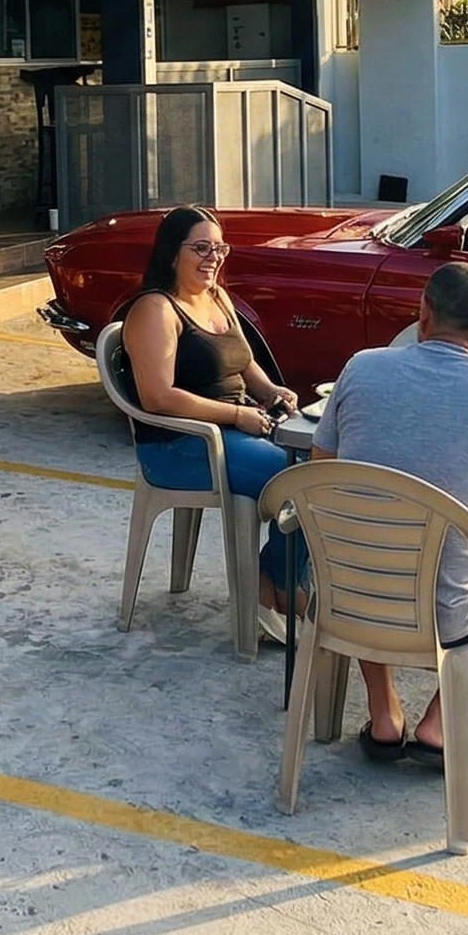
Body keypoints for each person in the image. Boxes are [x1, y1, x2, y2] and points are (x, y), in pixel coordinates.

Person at [307, 263, 468, 764]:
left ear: (422, 315)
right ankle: (440, 721)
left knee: (366, 548)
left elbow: (320, 474)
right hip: (449, 617)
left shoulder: (360, 368)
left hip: (346, 596)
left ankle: (383, 713)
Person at [119, 204, 301, 643]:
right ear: (170, 253)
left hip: (233, 434)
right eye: (201, 248)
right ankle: (271, 587)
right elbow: (157, 397)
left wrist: (272, 393)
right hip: (180, 446)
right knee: (301, 481)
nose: (213, 258)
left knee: (324, 461)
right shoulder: (155, 310)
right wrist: (238, 415)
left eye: (219, 248)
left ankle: (275, 582)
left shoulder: (216, 297)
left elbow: (245, 363)